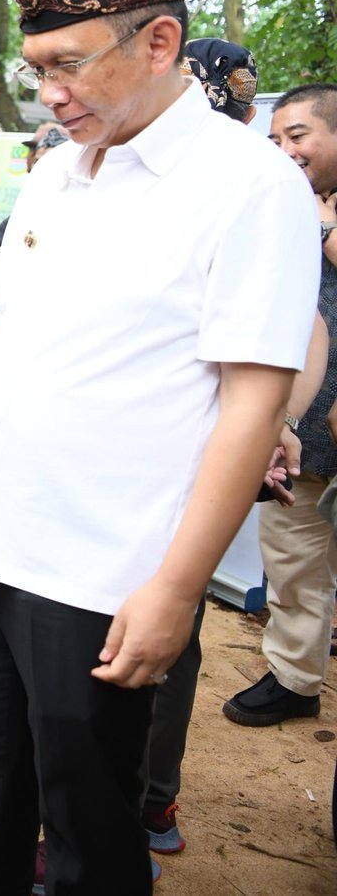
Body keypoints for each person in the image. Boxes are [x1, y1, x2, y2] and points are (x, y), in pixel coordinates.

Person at [0, 0, 315, 896]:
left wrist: (177, 588)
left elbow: (251, 405)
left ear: (159, 42)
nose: (47, 90)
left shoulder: (248, 186)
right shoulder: (53, 171)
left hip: (101, 578)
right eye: (35, 65)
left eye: (67, 64)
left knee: (89, 832)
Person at [224, 82, 337, 727]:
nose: (286, 151)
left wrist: (316, 221)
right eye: (276, 140)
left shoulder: (309, 211)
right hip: (300, 419)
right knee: (291, 550)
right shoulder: (272, 200)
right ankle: (296, 676)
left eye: (299, 137)